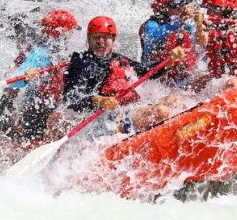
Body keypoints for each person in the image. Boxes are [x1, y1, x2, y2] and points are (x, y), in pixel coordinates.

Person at [47, 16, 185, 137]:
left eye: (105, 37)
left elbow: (146, 72)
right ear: (89, 39)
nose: (100, 42)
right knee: (160, 111)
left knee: (175, 100)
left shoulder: (118, 59)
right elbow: (70, 98)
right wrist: (98, 100)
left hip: (130, 108)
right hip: (107, 120)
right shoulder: (81, 63)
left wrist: (170, 60)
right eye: (96, 37)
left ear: (113, 39)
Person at [0, 9, 79, 142]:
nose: (72, 34)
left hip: (31, 107)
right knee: (50, 115)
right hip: (24, 111)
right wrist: (27, 74)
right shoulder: (40, 54)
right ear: (59, 33)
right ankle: (24, 140)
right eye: (70, 31)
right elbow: (13, 82)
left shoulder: (57, 50)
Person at [139, 0, 207, 89]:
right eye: (174, 5)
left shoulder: (186, 23)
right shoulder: (151, 25)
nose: (180, 9)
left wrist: (199, 25)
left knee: (206, 79)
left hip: (184, 75)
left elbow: (202, 44)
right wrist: (179, 21)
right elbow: (154, 40)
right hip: (160, 80)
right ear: (162, 9)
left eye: (182, 4)